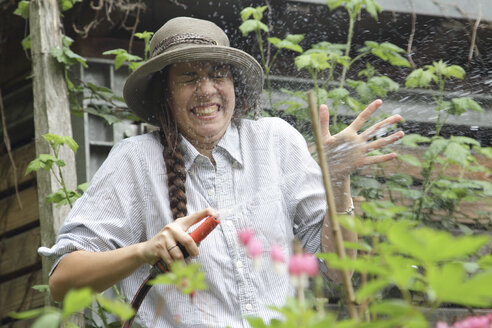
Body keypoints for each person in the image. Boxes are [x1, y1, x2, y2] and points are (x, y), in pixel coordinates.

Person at [39, 17, 404, 327]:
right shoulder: (134, 161)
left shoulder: (275, 142)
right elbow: (63, 281)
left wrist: (337, 179)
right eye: (188, 77)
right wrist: (145, 251)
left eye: (218, 74)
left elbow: (338, 273)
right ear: (164, 94)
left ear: (234, 85)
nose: (207, 89)